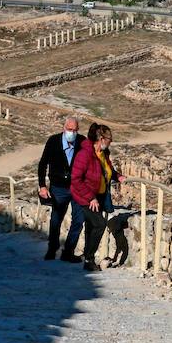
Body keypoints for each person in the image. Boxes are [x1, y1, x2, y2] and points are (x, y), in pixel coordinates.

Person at [68, 123, 121, 272]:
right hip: (84, 196)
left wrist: (118, 176)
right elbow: (76, 178)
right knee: (99, 224)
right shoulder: (85, 154)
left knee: (92, 226)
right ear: (101, 139)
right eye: (109, 140)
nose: (111, 143)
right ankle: (89, 259)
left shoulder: (103, 154)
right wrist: (90, 197)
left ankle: (88, 258)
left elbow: (107, 170)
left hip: (97, 196)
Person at [37, 116, 81, 261]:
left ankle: (68, 251)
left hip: (77, 188)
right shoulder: (53, 141)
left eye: (75, 130)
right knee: (56, 220)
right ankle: (52, 248)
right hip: (58, 188)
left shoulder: (82, 142)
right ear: (64, 128)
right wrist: (42, 186)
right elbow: (43, 163)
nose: (72, 133)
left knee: (79, 220)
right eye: (69, 129)